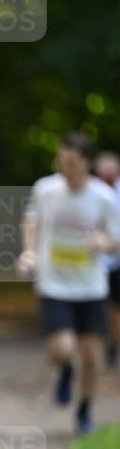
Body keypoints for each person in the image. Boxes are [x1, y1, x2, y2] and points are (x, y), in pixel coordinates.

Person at [19, 133, 120, 433]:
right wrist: (29, 252)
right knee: (62, 348)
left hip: (90, 286)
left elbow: (116, 238)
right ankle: (64, 370)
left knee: (91, 357)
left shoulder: (103, 196)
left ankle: (85, 410)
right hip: (55, 285)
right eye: (61, 162)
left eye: (72, 163)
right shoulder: (46, 189)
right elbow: (31, 220)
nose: (66, 168)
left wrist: (102, 242)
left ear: (86, 163)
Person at [93, 151, 120, 366]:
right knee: (105, 304)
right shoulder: (95, 192)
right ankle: (108, 344)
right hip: (100, 259)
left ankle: (113, 345)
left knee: (115, 306)